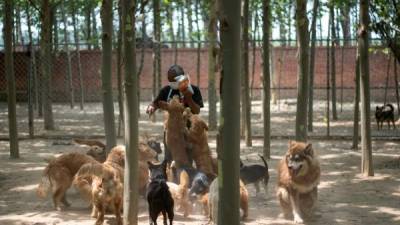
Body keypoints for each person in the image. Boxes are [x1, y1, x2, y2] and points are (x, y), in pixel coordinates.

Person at [146, 64, 204, 163]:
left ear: (182, 78)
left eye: (174, 81)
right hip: (170, 132)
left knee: (186, 160)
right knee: (169, 159)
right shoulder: (166, 90)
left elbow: (197, 111)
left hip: (188, 132)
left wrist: (189, 98)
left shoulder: (194, 90)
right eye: (170, 81)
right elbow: (156, 103)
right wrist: (152, 107)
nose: (172, 83)